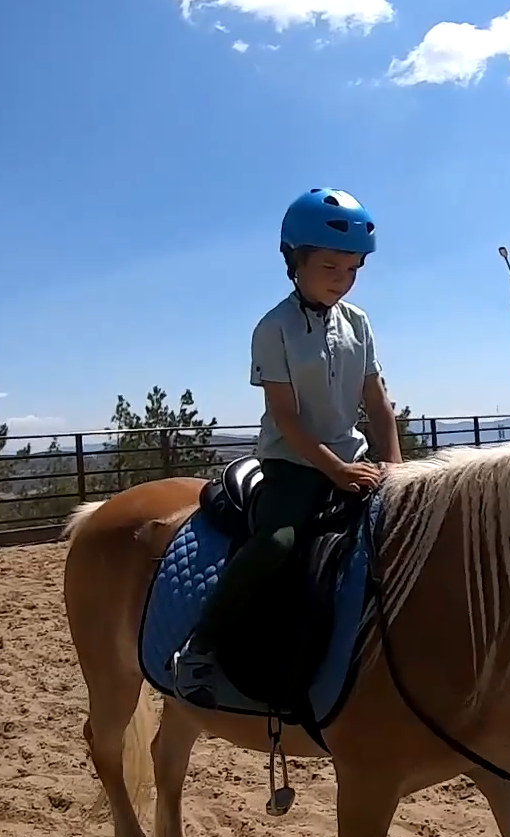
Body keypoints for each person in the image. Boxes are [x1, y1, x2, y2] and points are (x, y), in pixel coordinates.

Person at [185, 187, 402, 698]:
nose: (343, 281)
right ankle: (202, 644)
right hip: (294, 462)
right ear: (294, 261)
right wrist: (335, 471)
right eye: (330, 267)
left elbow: (379, 400)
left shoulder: (359, 323)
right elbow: (286, 417)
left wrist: (394, 464)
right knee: (277, 543)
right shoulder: (273, 328)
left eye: (352, 270)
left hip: (353, 458)